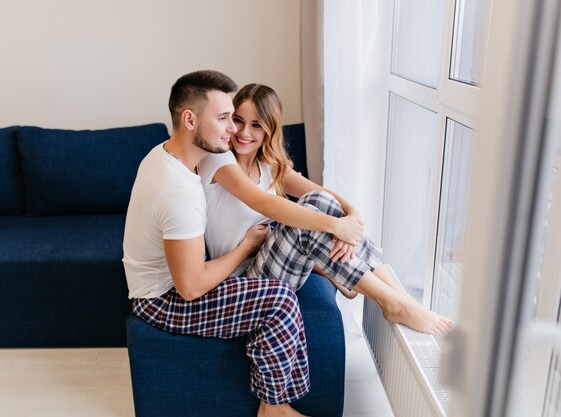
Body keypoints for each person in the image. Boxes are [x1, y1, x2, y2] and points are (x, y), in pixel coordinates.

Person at [123, 71, 364, 417]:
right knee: (279, 301)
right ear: (190, 119)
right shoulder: (179, 192)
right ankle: (274, 409)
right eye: (224, 119)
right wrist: (245, 248)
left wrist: (344, 217)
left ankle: (275, 405)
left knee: (284, 281)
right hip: (160, 301)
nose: (233, 130)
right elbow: (189, 288)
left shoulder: (165, 156)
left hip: (169, 285)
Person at [197, 83, 454, 335]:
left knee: (320, 201)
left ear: (269, 129)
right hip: (240, 283)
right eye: (239, 120)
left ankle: (403, 299)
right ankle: (390, 301)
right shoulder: (218, 160)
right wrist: (335, 226)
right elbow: (265, 203)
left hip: (270, 264)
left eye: (256, 125)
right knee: (305, 226)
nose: (243, 132)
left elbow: (322, 194)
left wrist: (353, 216)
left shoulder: (269, 165)